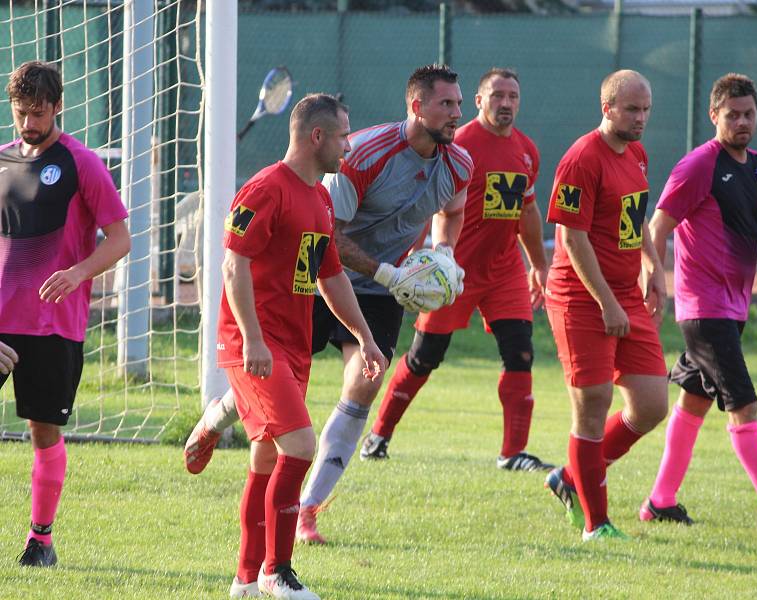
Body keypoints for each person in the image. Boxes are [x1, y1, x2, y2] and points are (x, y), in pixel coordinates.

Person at [184, 65, 472, 548]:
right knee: (270, 378)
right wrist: (385, 270)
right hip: (314, 278)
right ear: (417, 107)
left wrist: (442, 254)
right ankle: (217, 417)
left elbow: (454, 211)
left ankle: (308, 510)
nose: (456, 114)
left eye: (459, 105)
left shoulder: (460, 163)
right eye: (447, 105)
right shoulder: (364, 156)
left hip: (381, 291)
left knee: (363, 381)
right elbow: (326, 240)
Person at [220, 93, 386, 599]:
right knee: (301, 446)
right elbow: (233, 265)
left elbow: (331, 276)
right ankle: (278, 570)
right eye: (342, 135)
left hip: (290, 346)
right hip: (255, 344)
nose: (349, 145)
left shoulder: (320, 199)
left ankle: (246, 579)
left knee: (266, 459)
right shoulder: (266, 188)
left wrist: (366, 337)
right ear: (317, 137)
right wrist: (251, 337)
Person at [360, 67, 554, 473]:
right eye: (496, 95)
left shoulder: (527, 150)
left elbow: (529, 211)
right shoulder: (458, 145)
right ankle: (378, 434)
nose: (506, 103)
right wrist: (410, 264)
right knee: (424, 357)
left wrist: (538, 264)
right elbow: (422, 209)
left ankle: (513, 452)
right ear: (480, 102)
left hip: (504, 271)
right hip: (453, 272)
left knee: (520, 352)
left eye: (513, 96)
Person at [641, 73, 757, 535]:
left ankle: (659, 501)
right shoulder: (698, 166)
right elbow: (657, 226)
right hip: (704, 310)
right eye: (732, 115)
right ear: (714, 116)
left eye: (749, 113)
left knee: (692, 405)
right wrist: (655, 274)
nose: (742, 122)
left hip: (732, 309)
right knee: (744, 407)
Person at [0, 61, 131, 566]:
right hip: (2, 323)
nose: (29, 122)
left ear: (58, 107)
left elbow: (120, 239)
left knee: (42, 430)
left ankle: (41, 540)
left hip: (54, 324)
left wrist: (78, 273)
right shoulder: (4, 160)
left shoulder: (82, 163)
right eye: (21, 112)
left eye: (38, 112)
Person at [543, 70, 668, 541]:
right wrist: (607, 303)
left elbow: (634, 221)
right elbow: (571, 238)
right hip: (581, 299)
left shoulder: (636, 153)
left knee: (652, 405)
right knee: (594, 404)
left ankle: (570, 477)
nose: (640, 119)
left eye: (646, 110)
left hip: (625, 297)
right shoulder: (580, 159)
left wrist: (652, 264)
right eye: (631, 109)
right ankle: (597, 524)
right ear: (607, 108)